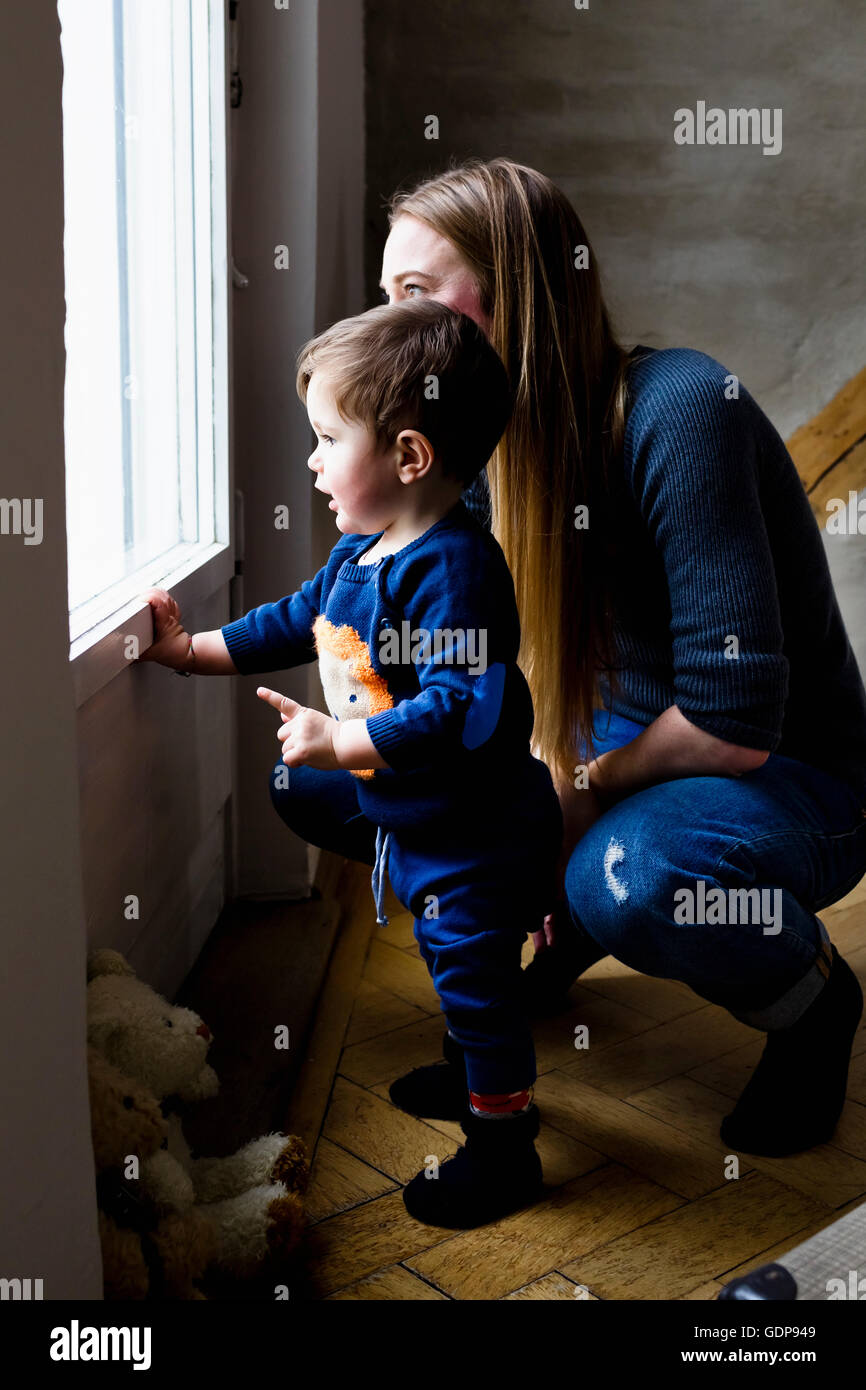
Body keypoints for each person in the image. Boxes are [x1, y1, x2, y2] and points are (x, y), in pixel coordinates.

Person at [274, 156, 866, 1164]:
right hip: (597, 758)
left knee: (634, 876)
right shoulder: (464, 452)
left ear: (522, 294)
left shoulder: (678, 408)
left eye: (417, 293)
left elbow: (729, 728)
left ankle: (810, 1001)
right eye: (384, 297)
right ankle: (517, 982)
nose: (389, 322)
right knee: (324, 780)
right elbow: (456, 677)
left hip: (777, 780)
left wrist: (571, 794)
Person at [139, 298, 563, 1230]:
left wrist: (345, 744)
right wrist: (191, 650)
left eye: (329, 438)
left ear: (409, 457)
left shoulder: (454, 570)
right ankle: (468, 1076)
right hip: (422, 817)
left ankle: (505, 1151)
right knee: (457, 964)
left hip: (480, 833)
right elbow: (295, 621)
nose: (311, 460)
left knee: (476, 984)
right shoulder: (361, 552)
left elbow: (461, 706)